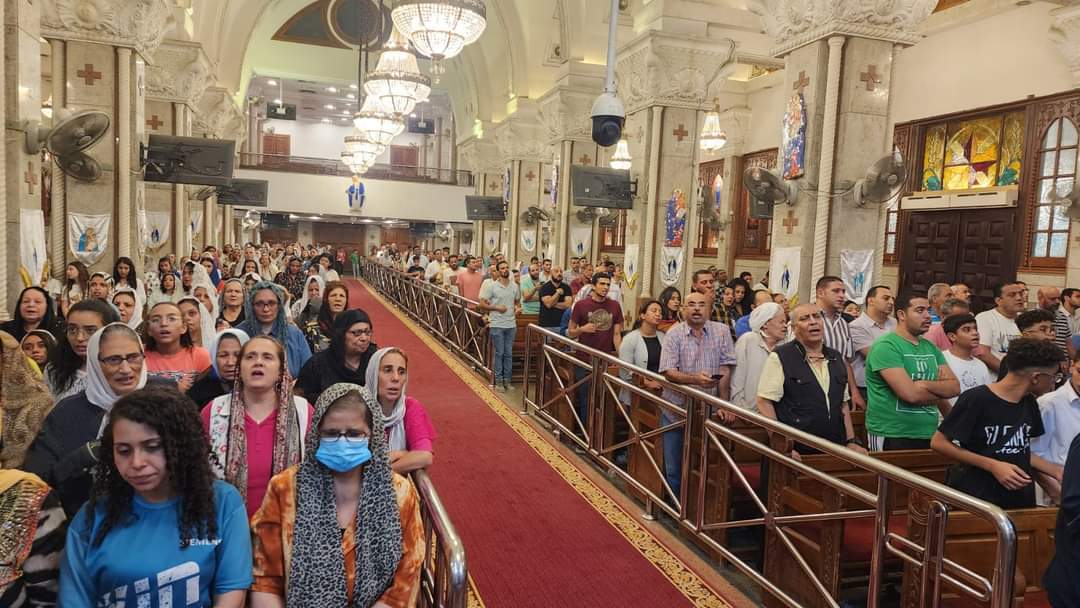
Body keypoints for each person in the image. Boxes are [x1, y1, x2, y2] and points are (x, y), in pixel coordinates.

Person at [59, 387, 253, 607]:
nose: (137, 463)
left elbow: (231, 593)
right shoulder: (91, 518)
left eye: (152, 447)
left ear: (181, 446)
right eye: (124, 451)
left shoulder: (222, 502)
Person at [249, 383, 423, 607]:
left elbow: (404, 584)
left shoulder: (399, 494)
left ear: (372, 436)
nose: (342, 442)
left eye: (354, 434)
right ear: (316, 435)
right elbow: (265, 580)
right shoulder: (285, 489)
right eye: (331, 434)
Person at [24, 323, 148, 516]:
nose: (125, 369)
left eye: (133, 357)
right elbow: (38, 480)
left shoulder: (165, 402)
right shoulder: (67, 412)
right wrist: (83, 457)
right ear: (94, 363)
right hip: (81, 519)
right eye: (113, 360)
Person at [932, 339, 1063, 509]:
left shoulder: (1029, 402)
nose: (1054, 383)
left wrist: (1056, 471)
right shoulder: (977, 399)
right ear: (1036, 377)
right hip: (979, 496)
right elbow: (939, 443)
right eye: (1054, 377)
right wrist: (992, 465)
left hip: (1019, 497)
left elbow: (1020, 451)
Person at [202, 336, 313, 517]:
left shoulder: (303, 412)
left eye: (267, 357)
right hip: (224, 521)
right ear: (240, 369)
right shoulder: (214, 410)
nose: (258, 362)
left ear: (281, 371)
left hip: (288, 524)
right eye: (250, 357)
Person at [756, 303, 868, 455]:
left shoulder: (836, 357)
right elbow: (764, 402)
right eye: (804, 318)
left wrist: (851, 441)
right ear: (794, 328)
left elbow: (842, 404)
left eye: (817, 317)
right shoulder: (781, 356)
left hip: (835, 448)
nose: (813, 322)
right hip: (797, 449)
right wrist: (781, 444)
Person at [659, 291, 736, 497]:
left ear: (709, 309)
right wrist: (695, 379)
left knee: (703, 464)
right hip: (677, 409)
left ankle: (696, 507)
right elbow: (668, 371)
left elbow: (725, 367)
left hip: (708, 411)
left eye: (701, 305)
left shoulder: (722, 331)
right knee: (674, 465)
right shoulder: (674, 334)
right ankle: (675, 505)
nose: (696, 308)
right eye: (691, 304)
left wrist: (723, 404)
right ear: (684, 309)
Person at [865, 294, 960, 451]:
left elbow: (955, 387)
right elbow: (911, 395)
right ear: (902, 315)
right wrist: (940, 389)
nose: (927, 316)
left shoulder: (930, 347)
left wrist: (923, 385)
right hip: (892, 433)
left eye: (928, 310)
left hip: (929, 432)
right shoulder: (886, 346)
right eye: (920, 310)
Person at [365, 347, 436, 473]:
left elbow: (425, 456)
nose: (396, 378)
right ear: (373, 374)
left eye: (401, 372)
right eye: (387, 370)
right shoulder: (357, 407)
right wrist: (402, 454)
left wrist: (381, 474)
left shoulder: (410, 407)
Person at [568, 272, 624, 424]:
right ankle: (586, 431)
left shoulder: (615, 306)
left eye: (608, 284)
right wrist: (582, 329)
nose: (605, 287)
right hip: (584, 359)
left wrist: (621, 358)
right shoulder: (581, 305)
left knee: (604, 398)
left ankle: (600, 432)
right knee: (586, 398)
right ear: (593, 286)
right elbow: (570, 332)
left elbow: (617, 334)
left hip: (604, 360)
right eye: (602, 284)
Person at [44, 300, 120, 403]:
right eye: (72, 330)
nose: (79, 338)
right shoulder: (54, 370)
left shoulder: (121, 370)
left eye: (90, 330)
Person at [0, 331, 54, 468]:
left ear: (9, 359)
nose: (35, 350)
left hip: (23, 474)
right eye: (28, 347)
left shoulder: (38, 401)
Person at [1033, 349, 1080, 504]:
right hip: (1060, 493)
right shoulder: (1048, 404)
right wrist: (1058, 494)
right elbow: (1032, 455)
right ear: (1071, 366)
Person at [237, 281, 312, 378]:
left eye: (271, 303)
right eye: (259, 304)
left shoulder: (294, 334)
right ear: (251, 306)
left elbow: (309, 370)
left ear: (279, 305)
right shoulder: (240, 333)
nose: (266, 309)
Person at [814, 276, 867, 411]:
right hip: (812, 387)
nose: (841, 295)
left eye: (843, 291)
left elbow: (845, 361)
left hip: (838, 390)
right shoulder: (807, 319)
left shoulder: (844, 324)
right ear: (820, 293)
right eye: (836, 291)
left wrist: (854, 391)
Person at [144, 301, 211, 393]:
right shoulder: (139, 354)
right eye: (156, 320)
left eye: (171, 319)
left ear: (183, 327)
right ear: (149, 330)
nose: (163, 324)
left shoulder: (200, 355)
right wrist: (173, 387)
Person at [731, 302, 787, 411]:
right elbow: (736, 381)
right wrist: (741, 410)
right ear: (765, 324)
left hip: (773, 414)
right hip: (745, 411)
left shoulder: (785, 345)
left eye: (785, 322)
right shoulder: (748, 340)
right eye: (781, 322)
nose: (785, 326)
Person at [849, 285, 897, 402]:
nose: (891, 302)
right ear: (871, 301)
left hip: (894, 385)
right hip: (867, 388)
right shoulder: (856, 326)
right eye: (886, 298)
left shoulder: (896, 323)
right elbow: (877, 356)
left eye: (892, 299)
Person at [479, 261, 520, 391]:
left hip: (511, 324)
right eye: (502, 268)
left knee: (508, 353)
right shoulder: (492, 286)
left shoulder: (514, 286)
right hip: (497, 323)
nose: (505, 270)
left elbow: (517, 302)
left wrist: (517, 308)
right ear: (498, 271)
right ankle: (498, 381)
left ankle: (507, 380)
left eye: (507, 267)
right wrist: (496, 308)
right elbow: (482, 304)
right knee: (499, 352)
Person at [618, 301, 666, 405]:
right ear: (642, 315)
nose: (658, 314)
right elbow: (625, 370)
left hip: (660, 391)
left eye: (660, 312)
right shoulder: (630, 339)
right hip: (636, 392)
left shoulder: (663, 337)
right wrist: (647, 383)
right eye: (654, 311)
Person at [188, 329, 249, 410]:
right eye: (223, 355)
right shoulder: (198, 394)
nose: (230, 362)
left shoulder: (259, 390)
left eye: (238, 355)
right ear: (213, 358)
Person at [941, 313, 993, 404]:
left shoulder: (981, 365)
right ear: (952, 336)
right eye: (967, 330)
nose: (975, 333)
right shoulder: (942, 359)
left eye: (975, 329)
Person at [975, 280, 1024, 373]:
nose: (1019, 298)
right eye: (1012, 295)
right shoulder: (985, 318)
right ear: (999, 301)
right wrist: (1009, 374)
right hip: (997, 377)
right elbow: (983, 353)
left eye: (1021, 294)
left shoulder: (1025, 319)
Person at [312, 280, 350, 353]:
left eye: (342, 296)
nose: (338, 299)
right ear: (326, 299)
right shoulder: (313, 328)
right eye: (333, 295)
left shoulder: (352, 326)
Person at [1036, 286, 1071, 355]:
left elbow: (1068, 342)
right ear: (1041, 299)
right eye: (1053, 299)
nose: (1057, 302)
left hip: (1062, 360)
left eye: (1058, 298)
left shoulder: (1062, 316)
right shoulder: (1031, 316)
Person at [538, 266, 572, 331]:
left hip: (563, 325)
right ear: (551, 273)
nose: (559, 273)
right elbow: (549, 304)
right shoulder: (544, 287)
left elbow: (568, 305)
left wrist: (553, 304)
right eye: (556, 271)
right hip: (547, 325)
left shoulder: (567, 287)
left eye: (561, 272)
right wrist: (557, 293)